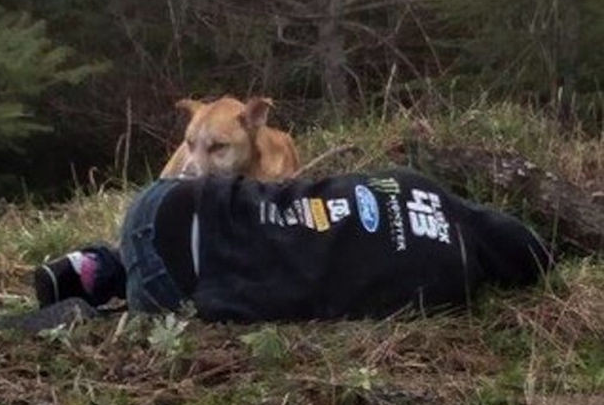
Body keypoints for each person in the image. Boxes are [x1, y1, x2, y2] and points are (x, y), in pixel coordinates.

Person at [31, 168, 553, 325]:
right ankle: (95, 312)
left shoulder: (418, 182)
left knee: (266, 222)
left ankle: (96, 266)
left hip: (167, 199)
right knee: (193, 283)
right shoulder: (448, 286)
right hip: (181, 285)